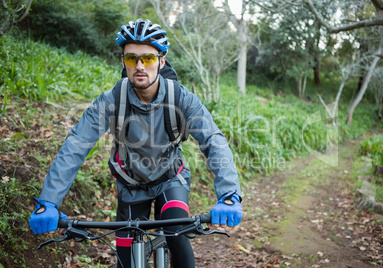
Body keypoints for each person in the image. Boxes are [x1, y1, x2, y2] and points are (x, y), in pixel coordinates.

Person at [29, 19, 242, 268]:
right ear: (123, 62)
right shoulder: (112, 100)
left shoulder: (181, 98)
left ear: (161, 61)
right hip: (130, 184)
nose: (139, 66)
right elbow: (76, 144)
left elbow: (213, 140)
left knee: (177, 236)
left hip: (170, 179)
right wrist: (48, 201)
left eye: (148, 58)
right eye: (131, 58)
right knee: (125, 261)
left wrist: (229, 195)